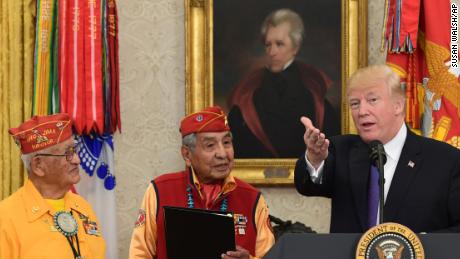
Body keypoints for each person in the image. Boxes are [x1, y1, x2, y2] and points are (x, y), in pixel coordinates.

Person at [294, 65, 460, 233]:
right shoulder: (339, 150)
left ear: (398, 105)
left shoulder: (446, 161)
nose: (362, 111)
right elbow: (307, 186)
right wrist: (314, 159)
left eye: (372, 100)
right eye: (355, 103)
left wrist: (421, 244)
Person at [129, 106, 275, 259]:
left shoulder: (252, 199)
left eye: (226, 142)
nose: (222, 153)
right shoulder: (160, 190)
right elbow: (139, 254)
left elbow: (271, 256)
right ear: (187, 155)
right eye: (210, 145)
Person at [228, 8, 340, 159]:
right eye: (268, 45)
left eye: (279, 44)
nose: (272, 52)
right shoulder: (249, 92)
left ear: (295, 47)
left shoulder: (313, 94)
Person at [0, 113, 106, 258]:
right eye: (67, 153)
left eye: (74, 150)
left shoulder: (83, 207)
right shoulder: (6, 218)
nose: (77, 160)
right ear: (38, 166)